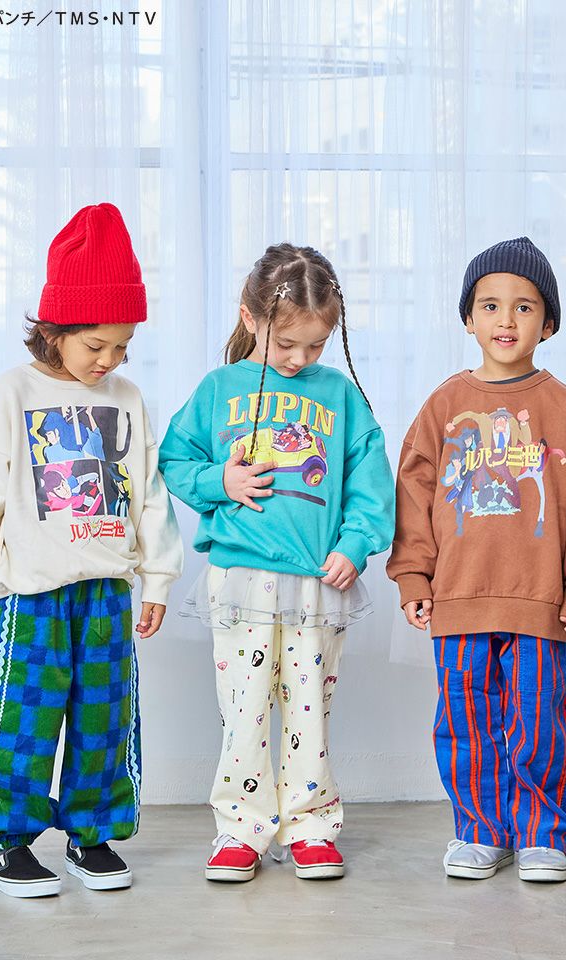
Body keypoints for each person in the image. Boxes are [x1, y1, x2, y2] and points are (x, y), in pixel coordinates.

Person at [0, 203, 183, 898]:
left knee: (105, 717)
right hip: (32, 592)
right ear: (54, 330)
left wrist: (158, 579)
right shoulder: (14, 393)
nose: (109, 361)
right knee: (22, 717)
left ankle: (91, 833)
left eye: (122, 347)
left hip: (107, 591)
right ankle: (6, 840)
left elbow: (149, 494)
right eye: (96, 345)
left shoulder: (127, 398)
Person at [159, 243, 394, 882]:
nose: (299, 359)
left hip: (317, 582)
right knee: (245, 710)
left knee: (309, 708)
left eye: (315, 345)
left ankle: (311, 825)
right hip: (240, 579)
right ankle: (241, 828)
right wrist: (221, 480)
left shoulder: (339, 396)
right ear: (250, 318)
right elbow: (174, 460)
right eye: (286, 343)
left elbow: (371, 482)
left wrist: (354, 544)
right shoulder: (218, 390)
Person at [387, 236, 566, 883]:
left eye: (524, 306)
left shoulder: (562, 407)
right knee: (466, 724)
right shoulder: (443, 405)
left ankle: (541, 834)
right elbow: (414, 496)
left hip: (541, 602)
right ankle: (481, 831)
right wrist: (413, 575)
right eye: (490, 305)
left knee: (540, 724)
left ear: (549, 324)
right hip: (459, 601)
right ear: (468, 318)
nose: (506, 320)